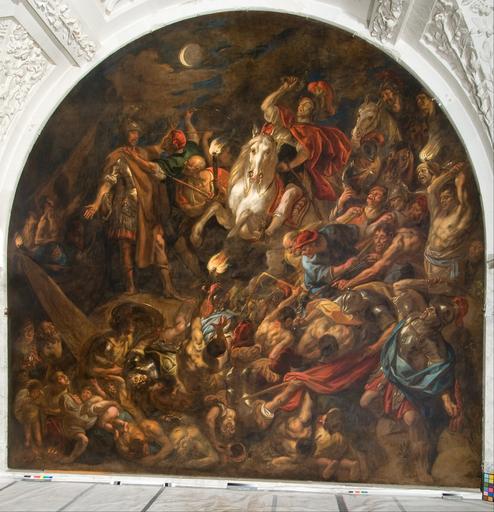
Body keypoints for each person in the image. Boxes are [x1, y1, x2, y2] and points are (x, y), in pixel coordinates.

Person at [360, 300, 463, 483]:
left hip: (409, 383)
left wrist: (446, 399)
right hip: (389, 371)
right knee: (365, 401)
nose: (428, 310)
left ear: (438, 322)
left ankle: (421, 468)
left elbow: (439, 373)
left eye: (433, 311)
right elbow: (394, 325)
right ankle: (390, 418)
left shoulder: (434, 341)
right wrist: (375, 347)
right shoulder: (413, 317)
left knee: (412, 420)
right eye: (430, 308)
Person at [83, 120, 182, 298]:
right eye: (131, 132)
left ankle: (168, 287)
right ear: (124, 134)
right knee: (126, 247)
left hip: (147, 207)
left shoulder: (142, 152)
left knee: (159, 242)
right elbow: (108, 182)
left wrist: (170, 132)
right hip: (127, 208)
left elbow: (160, 148)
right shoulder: (118, 156)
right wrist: (97, 203)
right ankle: (130, 287)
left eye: (136, 132)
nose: (134, 136)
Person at [261, 76, 351, 227]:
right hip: (271, 168)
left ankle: (272, 228)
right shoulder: (288, 123)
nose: (302, 107)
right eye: (301, 104)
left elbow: (305, 153)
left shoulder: (313, 132)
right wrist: (283, 89)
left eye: (307, 105)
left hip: (296, 174)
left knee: (290, 193)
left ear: (314, 111)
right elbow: (266, 106)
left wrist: (288, 166)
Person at [424, 163, 474, 291]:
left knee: (446, 295)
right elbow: (431, 190)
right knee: (432, 293)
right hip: (430, 261)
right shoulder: (437, 213)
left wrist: (459, 182)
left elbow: (464, 200)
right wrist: (450, 173)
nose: (442, 201)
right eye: (441, 198)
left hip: (448, 264)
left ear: (455, 198)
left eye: (446, 197)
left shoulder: (461, 213)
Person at [293, 225, 360, 297]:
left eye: (304, 249)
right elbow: (328, 275)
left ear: (313, 244)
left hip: (350, 266)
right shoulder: (307, 262)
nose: (303, 254)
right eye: (301, 251)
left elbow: (355, 234)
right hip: (320, 285)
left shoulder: (332, 232)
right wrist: (346, 266)